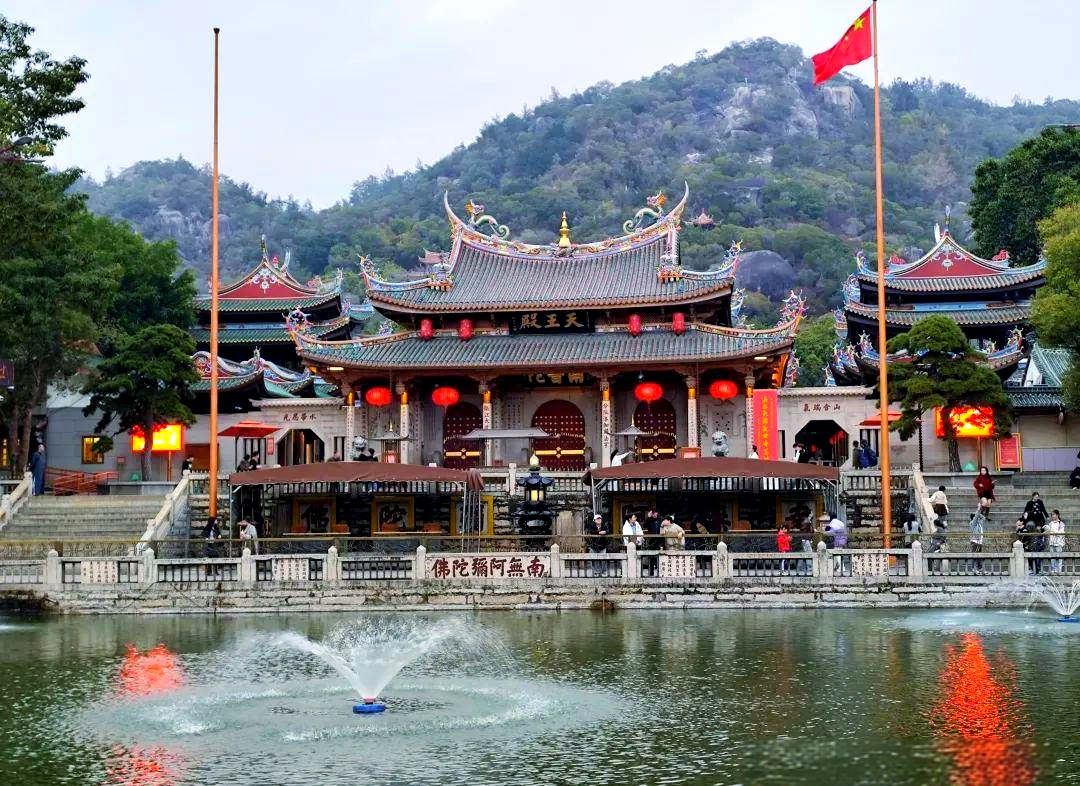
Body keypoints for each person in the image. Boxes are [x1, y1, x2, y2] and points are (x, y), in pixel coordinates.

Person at [1048, 509, 1066, 574]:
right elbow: (1049, 531)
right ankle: (1054, 569)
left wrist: (1054, 531)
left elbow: (1061, 533)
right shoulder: (1050, 523)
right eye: (1052, 515)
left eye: (1054, 514)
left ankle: (1059, 569)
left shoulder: (1061, 523)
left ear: (1057, 515)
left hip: (1058, 542)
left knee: (1059, 556)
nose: (1053, 516)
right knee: (1052, 557)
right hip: (1052, 542)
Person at [969, 509, 986, 573]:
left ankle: (980, 568)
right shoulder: (973, 523)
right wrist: (978, 511)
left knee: (979, 556)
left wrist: (979, 514)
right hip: (975, 541)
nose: (978, 518)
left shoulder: (979, 523)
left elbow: (983, 518)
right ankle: (974, 568)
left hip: (979, 542)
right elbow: (976, 517)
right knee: (974, 556)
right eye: (977, 517)